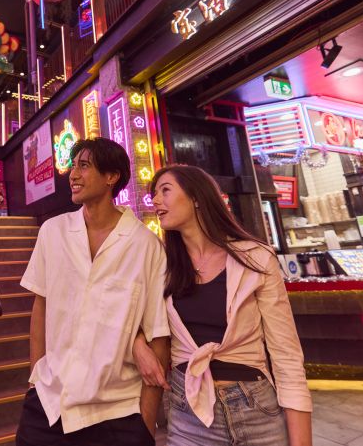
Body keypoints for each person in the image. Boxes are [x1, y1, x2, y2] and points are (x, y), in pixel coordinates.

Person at [132, 165, 312, 446]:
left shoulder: (256, 258)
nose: (155, 201)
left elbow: (286, 355)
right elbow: (130, 317)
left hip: (257, 410)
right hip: (188, 413)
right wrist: (137, 344)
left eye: (165, 191)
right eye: (154, 194)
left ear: (197, 197)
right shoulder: (162, 265)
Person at [16, 137, 171, 446]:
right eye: (73, 166)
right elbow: (41, 306)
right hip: (48, 404)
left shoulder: (145, 246)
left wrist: (146, 426)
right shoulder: (53, 232)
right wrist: (36, 377)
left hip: (116, 412)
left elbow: (158, 334)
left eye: (84, 166)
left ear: (111, 177)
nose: (73, 174)